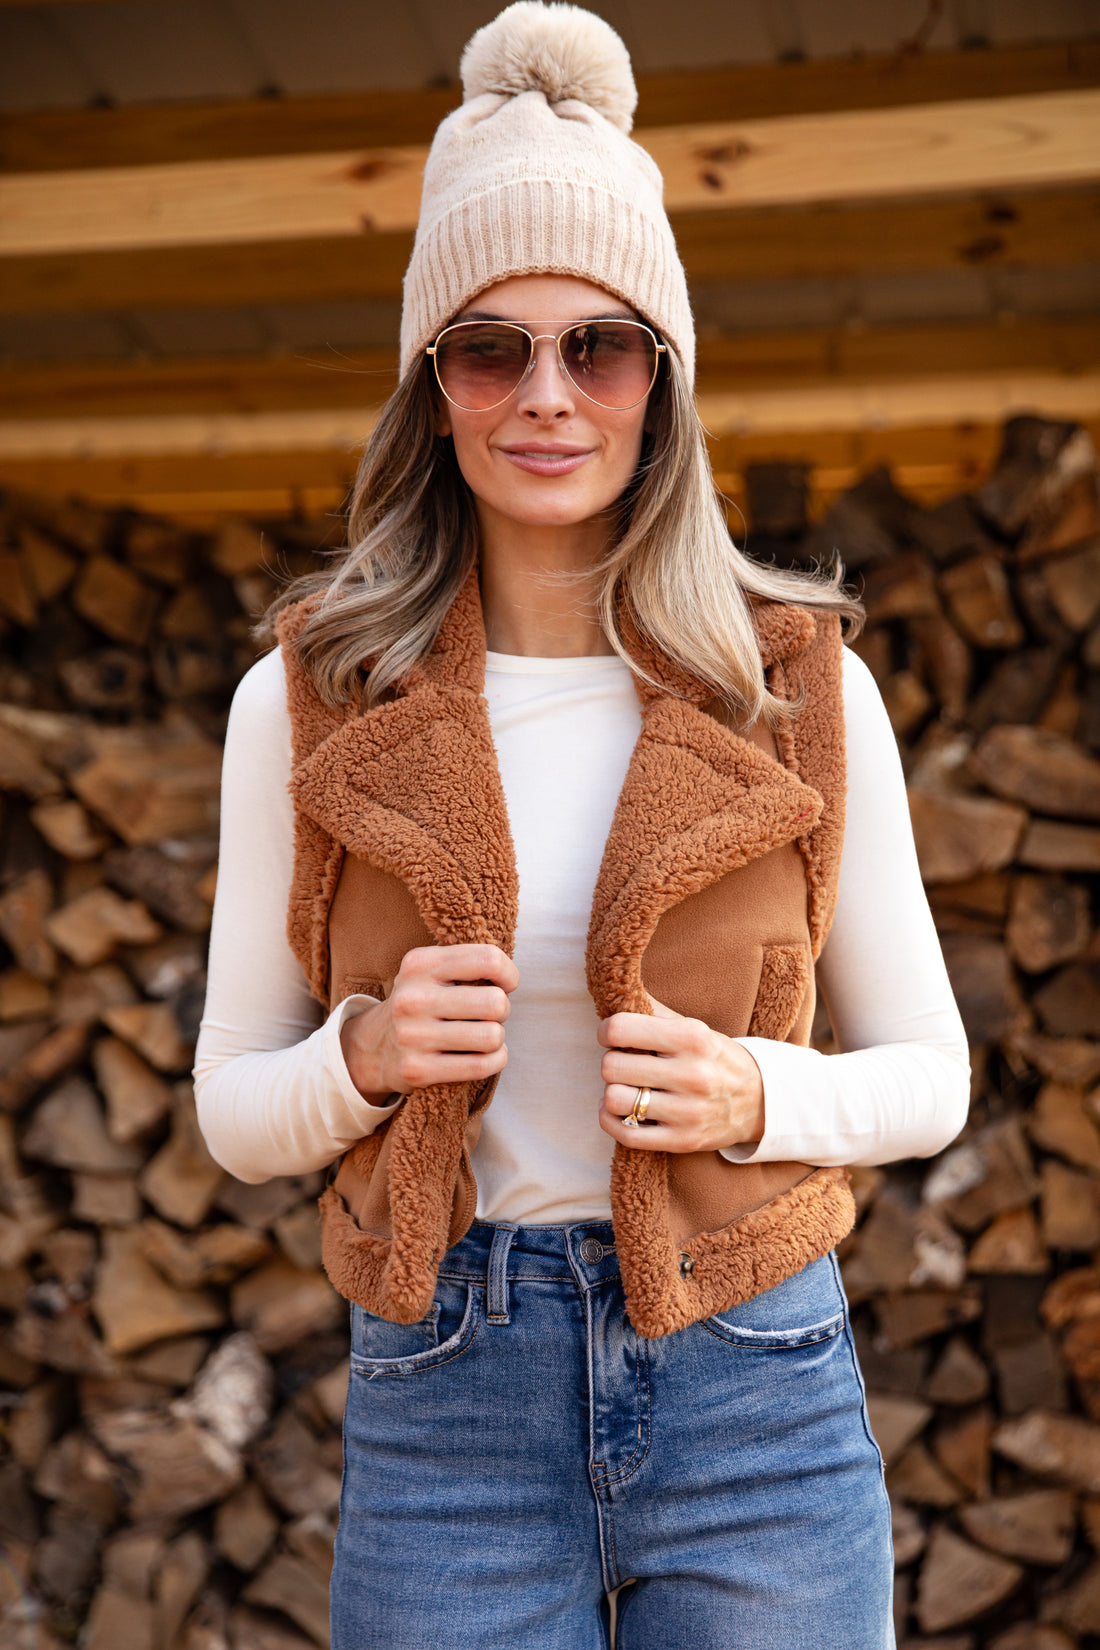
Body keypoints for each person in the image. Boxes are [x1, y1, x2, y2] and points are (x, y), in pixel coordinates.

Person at [194, 5, 969, 1645]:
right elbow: (230, 1102)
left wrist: (757, 1087)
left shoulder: (800, 692)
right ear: (434, 384)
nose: (548, 395)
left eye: (598, 344)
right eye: (491, 346)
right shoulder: (309, 702)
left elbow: (932, 1074)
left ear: (662, 379)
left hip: (755, 1382)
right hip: (449, 1396)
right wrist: (365, 1055)